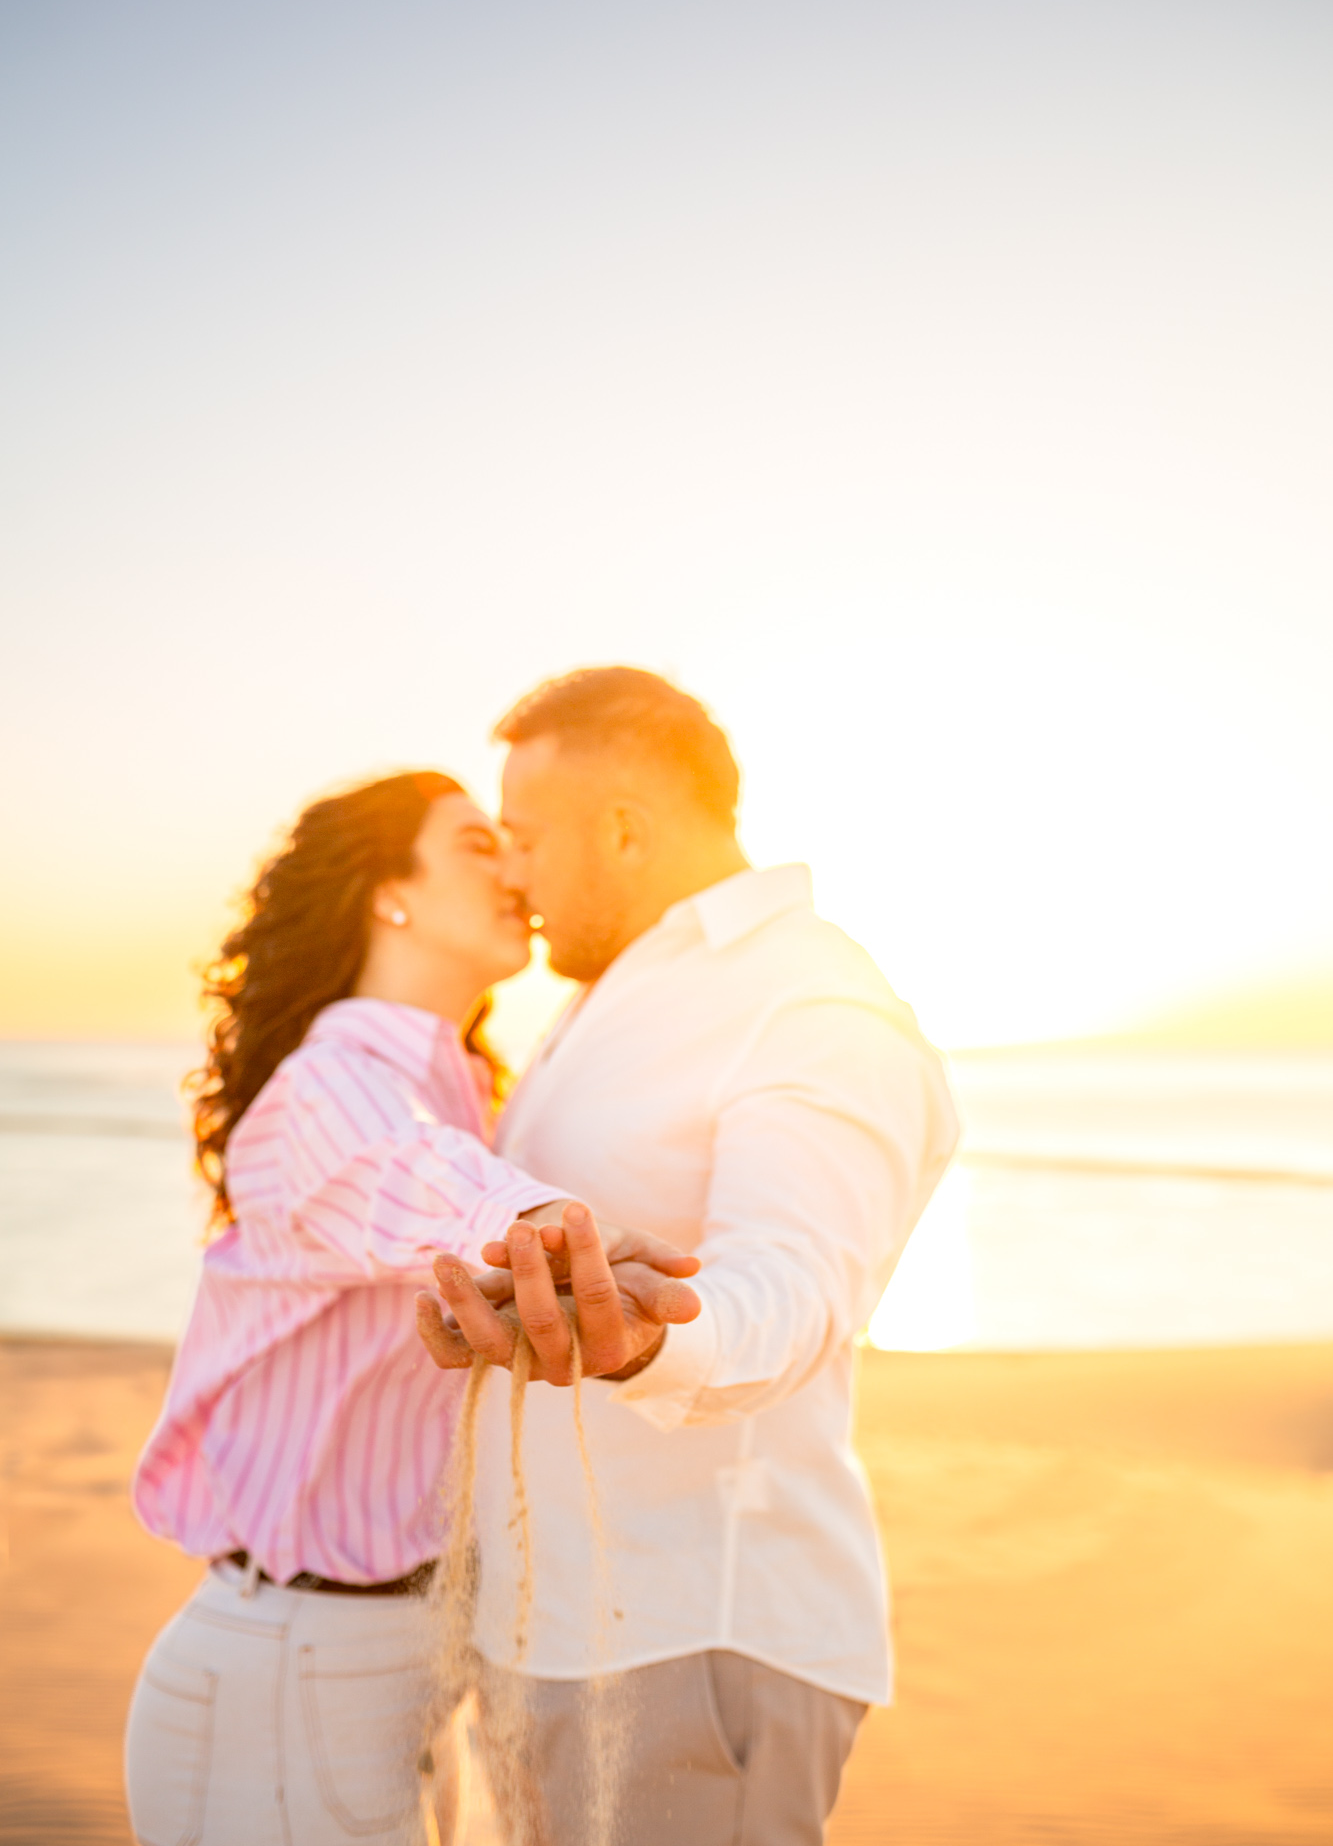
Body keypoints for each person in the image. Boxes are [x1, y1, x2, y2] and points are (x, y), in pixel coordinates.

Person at [417, 667, 961, 1846]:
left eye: (525, 836)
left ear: (623, 828)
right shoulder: (617, 990)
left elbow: (795, 1286)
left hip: (688, 1638)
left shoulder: (807, 996)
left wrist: (643, 1338)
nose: (511, 870)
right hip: (554, 1630)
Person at [124, 769, 699, 1846]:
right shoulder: (326, 1086)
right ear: (389, 891)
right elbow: (402, 1174)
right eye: (476, 844)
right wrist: (549, 1229)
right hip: (288, 1678)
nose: (514, 869)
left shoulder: (468, 1092)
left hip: (395, 1663)